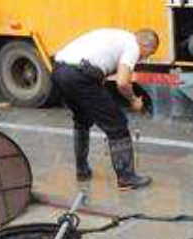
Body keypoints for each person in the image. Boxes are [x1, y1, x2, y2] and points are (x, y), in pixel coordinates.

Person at [52, 28, 159, 189]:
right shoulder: (133, 46)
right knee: (117, 125)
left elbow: (98, 64)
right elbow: (122, 82)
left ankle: (82, 171)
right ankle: (126, 178)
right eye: (148, 54)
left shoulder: (116, 36)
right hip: (80, 76)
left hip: (59, 71)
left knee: (82, 120)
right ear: (145, 45)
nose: (144, 59)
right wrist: (134, 100)